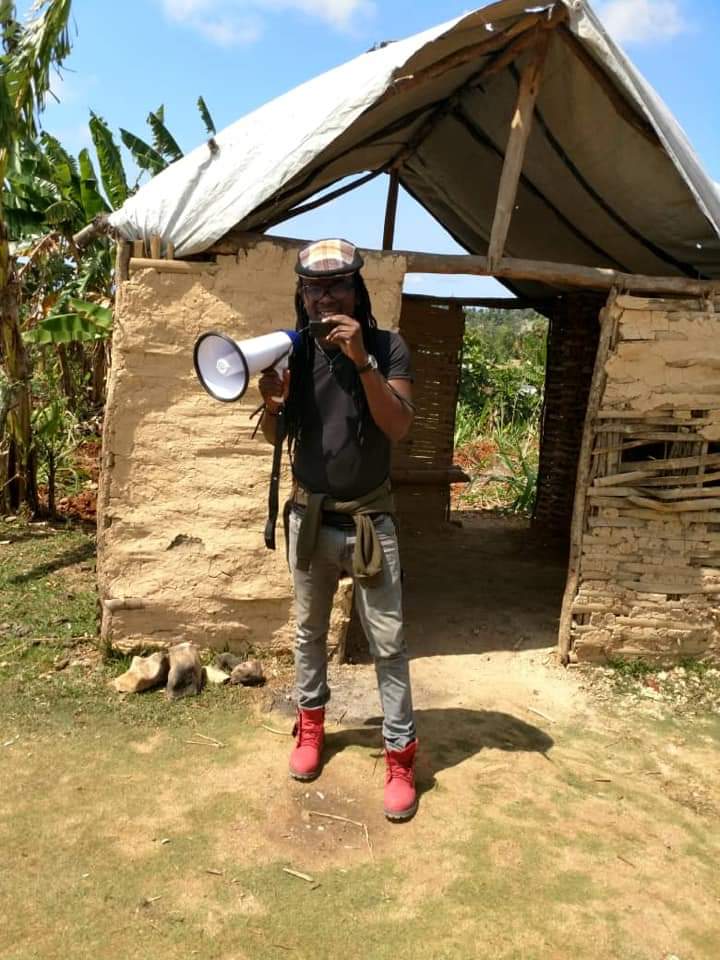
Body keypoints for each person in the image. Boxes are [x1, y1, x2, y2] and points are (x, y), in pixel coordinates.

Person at [257, 238, 418, 821]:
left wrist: (362, 363)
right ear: (301, 296)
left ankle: (400, 756)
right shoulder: (292, 354)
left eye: (337, 286)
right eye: (314, 288)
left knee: (390, 644)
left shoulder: (386, 347)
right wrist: (274, 406)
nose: (325, 298)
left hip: (371, 521)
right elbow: (281, 440)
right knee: (307, 635)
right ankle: (310, 731)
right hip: (309, 518)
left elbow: (397, 427)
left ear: (358, 289)